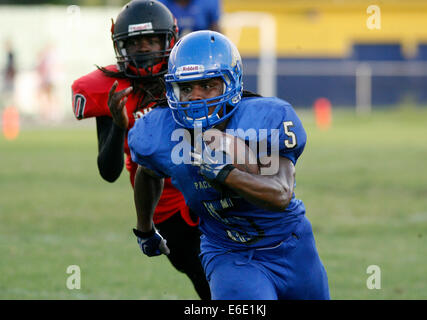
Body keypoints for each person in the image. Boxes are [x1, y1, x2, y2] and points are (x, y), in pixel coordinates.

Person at [128, 30, 330, 299]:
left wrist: (226, 174)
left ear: (230, 83)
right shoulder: (160, 130)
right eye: (186, 88)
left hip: (291, 245)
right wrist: (145, 229)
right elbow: (147, 172)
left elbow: (281, 193)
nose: (195, 97)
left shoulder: (265, 120)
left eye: (208, 85)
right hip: (227, 251)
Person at [71, 0, 210, 300]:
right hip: (167, 207)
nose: (144, 48)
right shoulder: (112, 90)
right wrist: (119, 124)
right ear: (121, 47)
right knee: (210, 280)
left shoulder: (189, 76)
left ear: (169, 39)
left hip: (209, 187)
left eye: (151, 40)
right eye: (135, 42)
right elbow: (108, 172)